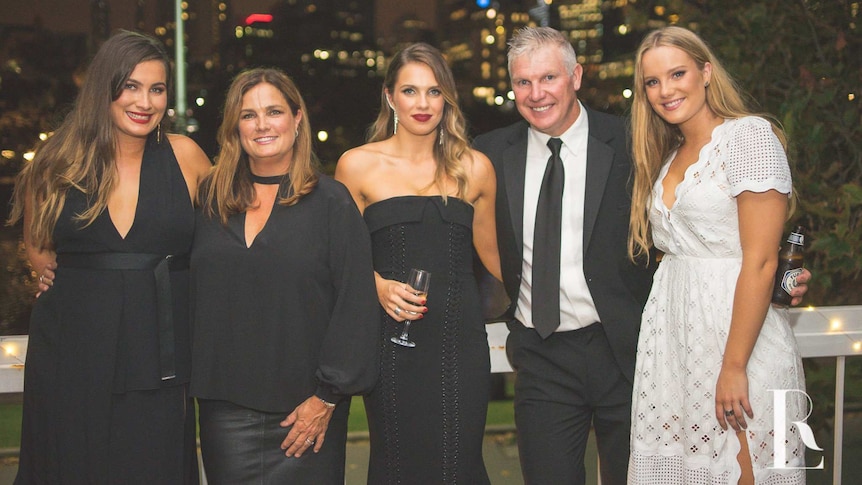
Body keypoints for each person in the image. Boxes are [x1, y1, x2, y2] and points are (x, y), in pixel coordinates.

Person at [7, 30, 212, 483]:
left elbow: (226, 239)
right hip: (73, 347)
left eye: (156, 88)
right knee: (73, 463)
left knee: (153, 463)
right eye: (131, 86)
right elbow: (37, 244)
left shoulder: (187, 157)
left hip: (161, 346)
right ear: (105, 88)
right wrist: (64, 282)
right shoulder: (57, 160)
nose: (145, 101)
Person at [626, 26, 807, 483]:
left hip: (739, 341)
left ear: (706, 72)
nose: (665, 90)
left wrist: (733, 367)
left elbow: (763, 261)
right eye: (652, 81)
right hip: (674, 346)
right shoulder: (667, 154)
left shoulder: (749, 136)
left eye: (678, 73)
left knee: (748, 469)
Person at [190, 67, 380, 484]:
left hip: (306, 414)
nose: (261, 125)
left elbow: (356, 306)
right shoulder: (210, 200)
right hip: (225, 412)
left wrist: (326, 399)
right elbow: (177, 277)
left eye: (274, 111)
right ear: (234, 126)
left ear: (297, 119)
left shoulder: (332, 202)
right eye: (248, 115)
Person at [335, 43, 502, 484]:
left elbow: (497, 263)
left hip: (460, 345)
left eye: (434, 91)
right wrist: (377, 285)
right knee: (397, 465)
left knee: (459, 464)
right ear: (390, 96)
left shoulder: (476, 168)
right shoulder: (356, 165)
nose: (423, 104)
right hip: (392, 344)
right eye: (410, 91)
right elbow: (341, 259)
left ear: (447, 97)